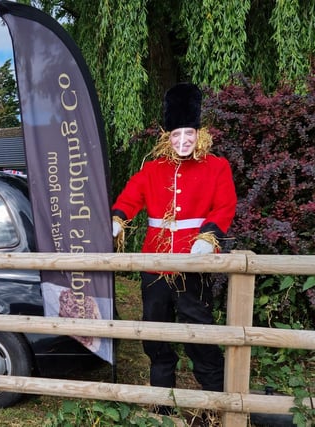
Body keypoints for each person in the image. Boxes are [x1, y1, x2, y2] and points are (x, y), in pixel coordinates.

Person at [111, 83, 237, 405]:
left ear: (199, 134)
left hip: (194, 264)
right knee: (156, 334)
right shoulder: (152, 169)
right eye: (176, 135)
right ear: (167, 137)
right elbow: (130, 198)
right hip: (154, 265)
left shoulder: (216, 167)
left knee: (200, 333)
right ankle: (161, 404)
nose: (183, 141)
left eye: (189, 134)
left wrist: (209, 237)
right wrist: (117, 219)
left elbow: (224, 206)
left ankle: (219, 401)